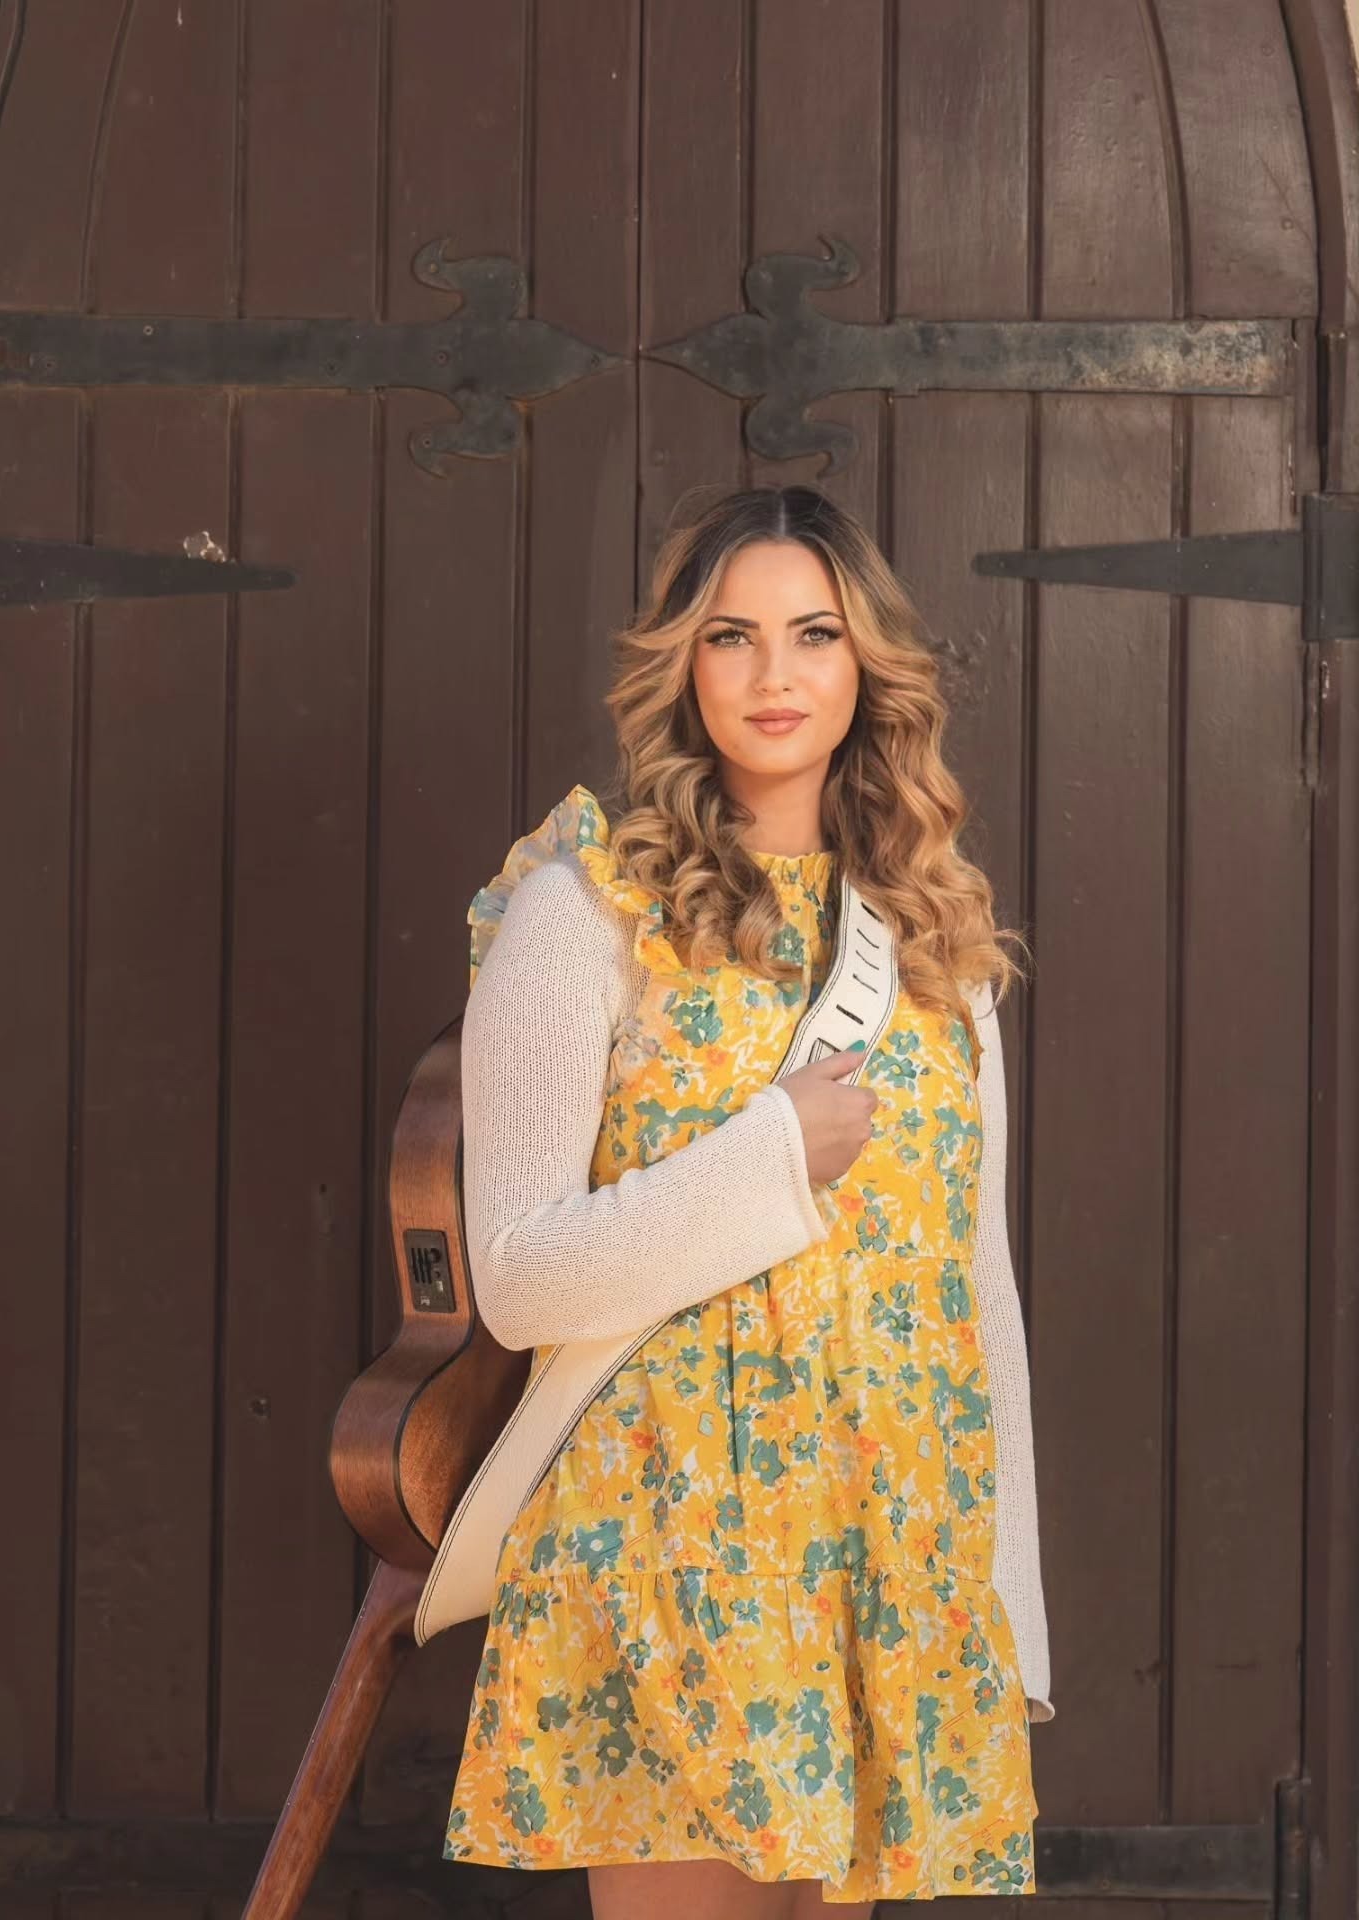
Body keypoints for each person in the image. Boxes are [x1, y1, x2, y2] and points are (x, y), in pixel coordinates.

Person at [440, 484, 1053, 1915]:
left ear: (867, 666)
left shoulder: (931, 934)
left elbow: (975, 1287)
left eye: (814, 634)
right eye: (732, 636)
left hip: (894, 1542)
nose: (775, 675)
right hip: (673, 1538)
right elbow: (519, 1278)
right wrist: (770, 1155)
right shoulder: (585, 910)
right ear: (684, 664)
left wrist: (1007, 1601)